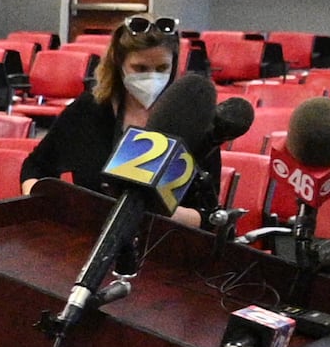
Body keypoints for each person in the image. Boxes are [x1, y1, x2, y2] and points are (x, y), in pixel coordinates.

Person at [19, 15, 219, 227]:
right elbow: (36, 168)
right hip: (89, 236)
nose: (152, 77)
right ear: (119, 64)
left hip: (164, 242)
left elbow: (209, 216)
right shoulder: (87, 110)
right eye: (140, 68)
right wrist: (42, 203)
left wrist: (154, 212)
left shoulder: (193, 121)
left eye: (162, 69)